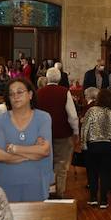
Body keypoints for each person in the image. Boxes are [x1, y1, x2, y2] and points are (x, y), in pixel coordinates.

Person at [0, 79, 53, 220]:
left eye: (20, 92)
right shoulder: (1, 120)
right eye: (11, 94)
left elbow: (45, 150)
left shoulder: (43, 118)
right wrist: (32, 151)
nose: (15, 96)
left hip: (34, 183)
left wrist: (15, 149)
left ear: (30, 94)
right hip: (5, 184)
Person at [34, 67, 80, 198]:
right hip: (62, 134)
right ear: (59, 79)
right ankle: (59, 193)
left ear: (47, 78)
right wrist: (76, 132)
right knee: (61, 165)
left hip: (43, 136)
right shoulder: (64, 92)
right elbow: (72, 116)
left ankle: (44, 192)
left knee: (44, 164)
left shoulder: (39, 93)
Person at [81, 88, 111, 209]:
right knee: (105, 173)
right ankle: (103, 200)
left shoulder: (91, 111)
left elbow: (84, 128)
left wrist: (83, 145)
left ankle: (92, 199)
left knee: (92, 173)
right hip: (109, 147)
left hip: (93, 146)